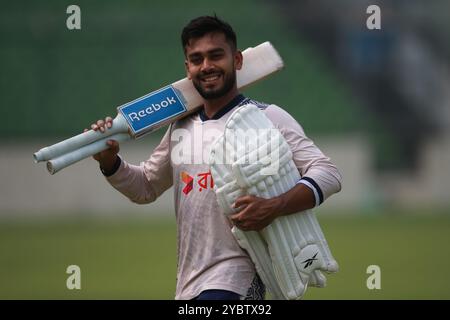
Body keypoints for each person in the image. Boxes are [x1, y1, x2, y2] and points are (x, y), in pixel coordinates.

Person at [88, 15, 342, 300]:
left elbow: (327, 172)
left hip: (239, 278)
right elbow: (145, 186)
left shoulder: (265, 117)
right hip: (189, 280)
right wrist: (109, 161)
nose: (206, 66)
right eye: (196, 59)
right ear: (188, 69)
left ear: (237, 60)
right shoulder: (180, 126)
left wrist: (275, 205)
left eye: (215, 56)